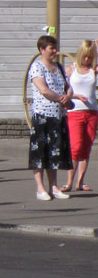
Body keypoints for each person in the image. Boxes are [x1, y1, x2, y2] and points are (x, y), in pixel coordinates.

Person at [29, 34, 74, 200]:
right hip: (42, 115)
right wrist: (60, 98)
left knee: (55, 151)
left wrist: (67, 96)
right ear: (42, 49)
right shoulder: (37, 67)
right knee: (40, 152)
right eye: (51, 48)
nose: (54, 51)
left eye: (55, 47)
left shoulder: (59, 67)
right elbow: (43, 89)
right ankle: (40, 188)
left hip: (58, 115)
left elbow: (68, 87)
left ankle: (54, 186)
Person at [62, 39, 96, 192]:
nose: (87, 60)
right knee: (76, 147)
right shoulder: (71, 69)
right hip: (75, 112)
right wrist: (75, 96)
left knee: (86, 148)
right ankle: (69, 181)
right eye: (85, 56)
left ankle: (80, 181)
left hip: (92, 112)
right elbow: (64, 92)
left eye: (90, 56)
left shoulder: (93, 70)